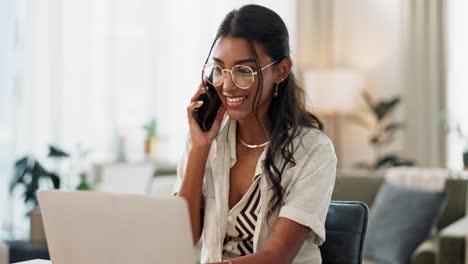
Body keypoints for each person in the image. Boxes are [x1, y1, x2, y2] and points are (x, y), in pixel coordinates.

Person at [173, 4, 337, 264]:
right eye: (219, 69)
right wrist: (199, 148)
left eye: (244, 71)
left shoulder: (314, 151)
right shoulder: (205, 139)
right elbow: (181, 237)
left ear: (281, 71)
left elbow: (276, 257)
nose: (226, 85)